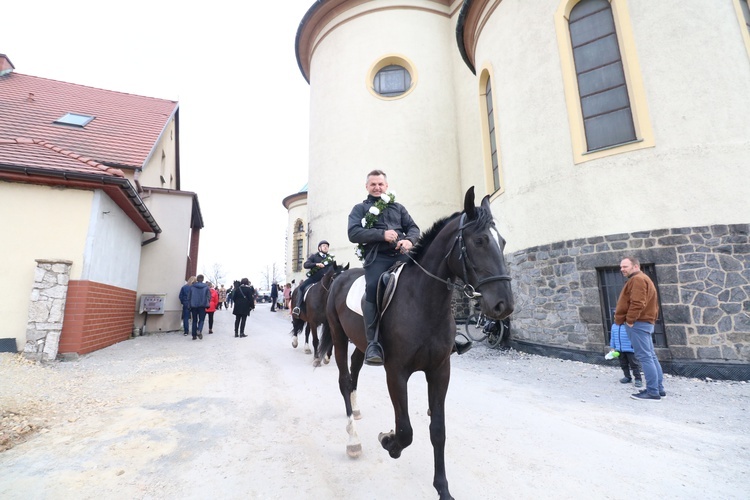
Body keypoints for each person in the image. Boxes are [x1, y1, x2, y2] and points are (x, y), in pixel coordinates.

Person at [347, 170, 420, 365]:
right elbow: (353, 233)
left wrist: (409, 241)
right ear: (367, 187)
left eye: (380, 184)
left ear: (386, 186)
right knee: (373, 287)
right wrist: (381, 235)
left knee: (425, 279)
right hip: (377, 257)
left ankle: (440, 331)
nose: (377, 187)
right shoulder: (359, 209)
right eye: (373, 184)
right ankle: (373, 343)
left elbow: (413, 228)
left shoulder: (398, 207)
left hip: (402, 254)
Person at [614, 256, 665, 401]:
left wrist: (630, 320)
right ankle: (658, 389)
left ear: (635, 266)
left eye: (625, 266)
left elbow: (637, 302)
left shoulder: (637, 279)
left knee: (645, 357)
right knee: (650, 356)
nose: (622, 269)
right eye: (621, 267)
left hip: (638, 323)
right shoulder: (642, 278)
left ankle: (652, 391)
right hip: (644, 323)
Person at [292, 240, 334, 317]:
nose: (326, 247)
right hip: (314, 279)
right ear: (319, 248)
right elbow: (306, 264)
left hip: (326, 281)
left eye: (327, 246)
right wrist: (316, 264)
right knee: (301, 287)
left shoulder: (330, 259)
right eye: (324, 246)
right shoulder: (314, 256)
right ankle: (298, 307)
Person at [609, 322, 643, 388]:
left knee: (634, 365)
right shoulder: (614, 326)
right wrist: (612, 347)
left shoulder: (630, 325)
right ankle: (627, 377)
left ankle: (638, 379)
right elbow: (612, 337)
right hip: (619, 349)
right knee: (623, 364)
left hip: (630, 349)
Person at [188, 274, 211, 340]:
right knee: (201, 320)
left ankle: (194, 335)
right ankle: (199, 330)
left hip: (194, 305)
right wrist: (207, 303)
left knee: (194, 320)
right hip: (202, 305)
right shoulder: (206, 287)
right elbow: (209, 297)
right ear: (203, 279)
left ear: (197, 279)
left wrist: (189, 305)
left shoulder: (192, 287)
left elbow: (189, 296)